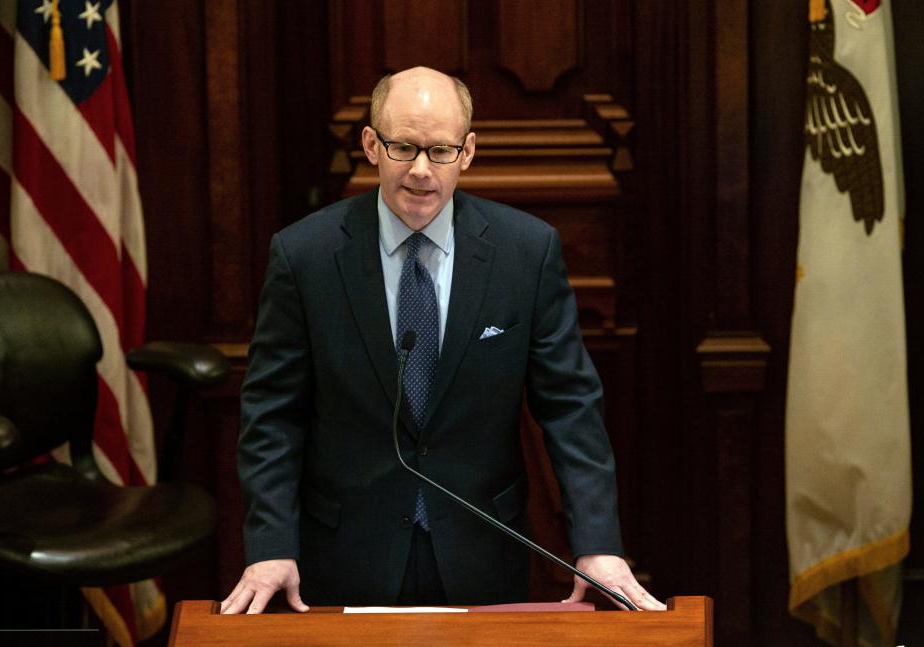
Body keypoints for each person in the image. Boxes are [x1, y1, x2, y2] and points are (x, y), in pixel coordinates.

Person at [220, 66, 664, 614]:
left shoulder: (525, 253)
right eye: (404, 147)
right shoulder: (304, 256)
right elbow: (272, 415)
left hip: (482, 548)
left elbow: (571, 409)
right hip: (343, 552)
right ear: (371, 145)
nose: (422, 172)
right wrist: (270, 546)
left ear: (468, 152)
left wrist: (597, 544)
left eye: (442, 151)